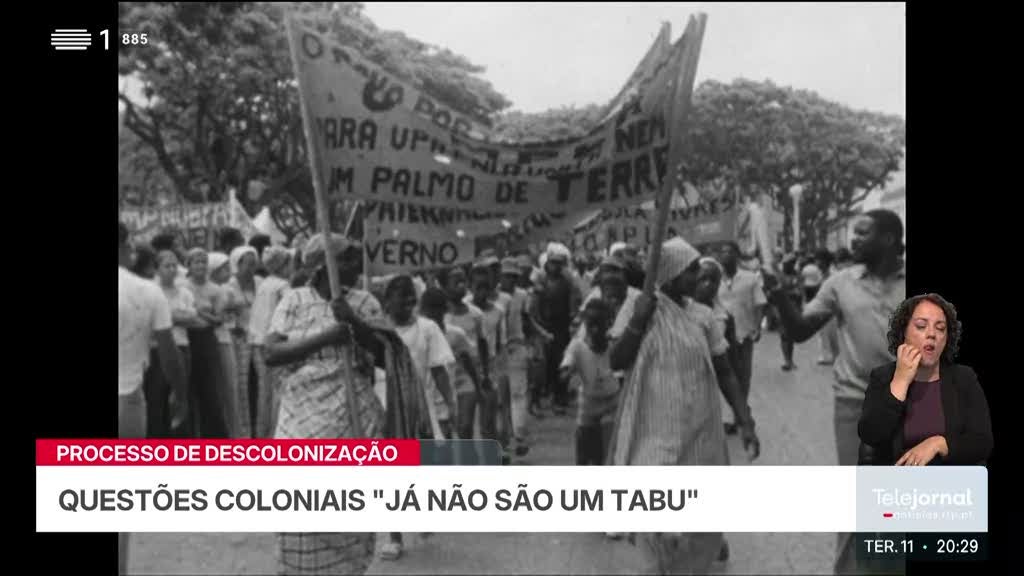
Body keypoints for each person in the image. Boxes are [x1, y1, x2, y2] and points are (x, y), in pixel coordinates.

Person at [265, 233, 423, 576]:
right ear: (325, 265)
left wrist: (353, 321)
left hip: (352, 415)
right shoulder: (292, 300)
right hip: (302, 414)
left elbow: (388, 356)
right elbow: (271, 353)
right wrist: (325, 337)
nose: (357, 265)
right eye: (349, 258)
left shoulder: (364, 301)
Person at [763, 209, 906, 575]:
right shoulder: (839, 283)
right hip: (856, 405)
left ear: (889, 239)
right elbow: (799, 331)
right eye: (853, 233)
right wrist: (779, 295)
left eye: (863, 233)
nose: (853, 240)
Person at [607, 237, 759, 575]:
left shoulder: (703, 316)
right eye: (691, 270)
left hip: (700, 428)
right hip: (654, 428)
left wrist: (745, 419)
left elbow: (725, 373)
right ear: (672, 273)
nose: (698, 276)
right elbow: (616, 359)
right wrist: (637, 321)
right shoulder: (640, 307)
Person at [118, 222, 187, 575]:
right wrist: (180, 392)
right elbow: (169, 352)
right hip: (127, 401)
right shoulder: (147, 292)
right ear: (126, 246)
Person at [859, 294, 992, 466]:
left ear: (946, 338)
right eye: (921, 326)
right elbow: (870, 434)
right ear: (903, 333)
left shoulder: (964, 378)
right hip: (898, 486)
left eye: (940, 328)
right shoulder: (883, 376)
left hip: (950, 486)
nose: (932, 334)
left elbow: (982, 442)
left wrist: (938, 443)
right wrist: (900, 381)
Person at [716, 241, 767, 432]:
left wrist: (758, 327)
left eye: (729, 252)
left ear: (737, 256)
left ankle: (739, 416)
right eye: (722, 252)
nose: (725, 255)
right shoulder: (713, 279)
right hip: (720, 338)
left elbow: (760, 303)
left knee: (743, 376)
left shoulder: (750, 278)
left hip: (743, 335)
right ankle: (736, 413)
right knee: (725, 377)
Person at [561, 298, 619, 466]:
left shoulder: (614, 344)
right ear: (585, 323)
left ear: (609, 324)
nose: (594, 330)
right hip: (588, 403)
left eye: (599, 325)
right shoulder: (577, 346)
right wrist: (568, 373)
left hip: (612, 402)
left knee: (608, 454)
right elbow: (566, 367)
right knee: (583, 455)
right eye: (591, 324)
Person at [151, 250, 202, 437]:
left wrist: (167, 317)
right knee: (157, 396)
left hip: (181, 346)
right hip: (156, 349)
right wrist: (178, 317)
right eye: (167, 265)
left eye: (174, 265)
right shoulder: (150, 291)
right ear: (157, 269)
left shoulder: (185, 293)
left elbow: (194, 319)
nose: (172, 269)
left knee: (179, 396)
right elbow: (150, 319)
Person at [441, 266, 492, 443]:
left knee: (465, 426)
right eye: (456, 282)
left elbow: (483, 343)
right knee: (447, 425)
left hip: (469, 375)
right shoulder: (440, 316)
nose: (461, 286)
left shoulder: (476, 314)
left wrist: (485, 373)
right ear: (444, 286)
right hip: (445, 375)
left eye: (464, 282)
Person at [184, 249, 232, 438]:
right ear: (188, 265)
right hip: (186, 339)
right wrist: (200, 314)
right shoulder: (182, 286)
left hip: (206, 340)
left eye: (204, 262)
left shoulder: (215, 289)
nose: (201, 266)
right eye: (196, 262)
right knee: (187, 391)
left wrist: (198, 312)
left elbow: (219, 320)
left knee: (210, 392)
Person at [248, 246, 294, 438]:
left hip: (257, 341)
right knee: (276, 393)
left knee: (264, 392)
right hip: (273, 342)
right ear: (283, 265)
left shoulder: (265, 283)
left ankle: (262, 434)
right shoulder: (284, 287)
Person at [535, 243, 580, 415]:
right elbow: (536, 306)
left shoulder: (567, 282)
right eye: (553, 263)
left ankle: (560, 396)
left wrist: (572, 321)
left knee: (563, 361)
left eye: (558, 264)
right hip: (545, 326)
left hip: (562, 327)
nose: (555, 266)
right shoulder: (541, 281)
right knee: (547, 363)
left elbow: (573, 302)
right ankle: (549, 393)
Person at [498, 257, 536, 457]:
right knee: (502, 399)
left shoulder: (522, 296)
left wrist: (537, 339)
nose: (510, 280)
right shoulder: (493, 296)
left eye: (513, 277)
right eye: (507, 277)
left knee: (518, 395)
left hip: (517, 347)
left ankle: (519, 436)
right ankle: (504, 440)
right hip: (499, 353)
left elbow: (527, 320)